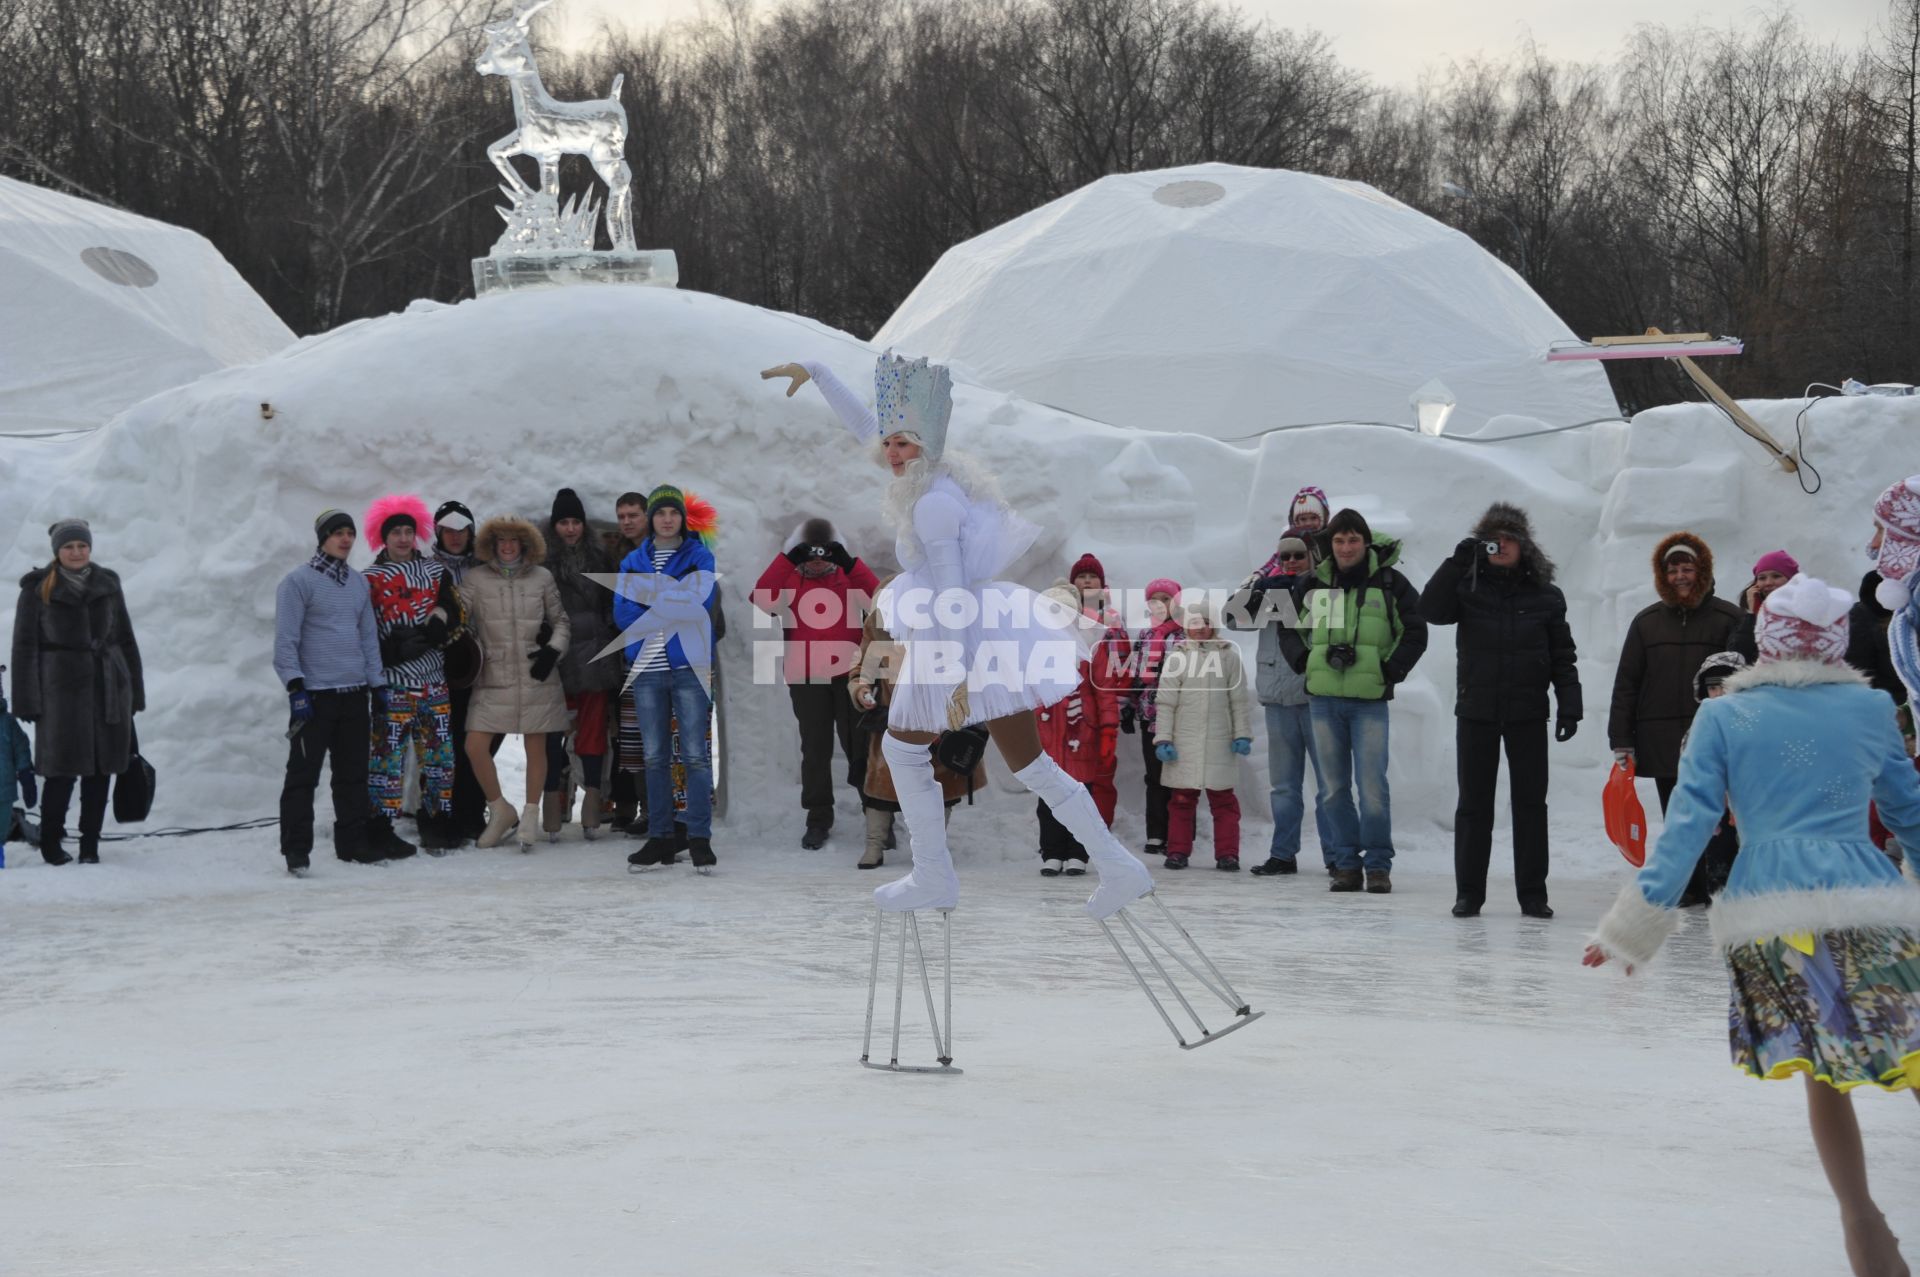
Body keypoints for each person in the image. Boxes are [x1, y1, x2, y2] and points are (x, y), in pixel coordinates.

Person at [1584, 575, 1920, 1277]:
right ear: (1836, 644)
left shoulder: (1723, 716)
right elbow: (1910, 813)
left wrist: (1632, 924)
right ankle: (1866, 1225)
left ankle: (1863, 1223)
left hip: (1772, 916)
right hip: (1870, 906)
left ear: (1764, 642)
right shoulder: (1870, 709)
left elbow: (1689, 825)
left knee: (1825, 1076)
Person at [762, 354, 1154, 919]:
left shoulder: (934, 504)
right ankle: (1118, 866)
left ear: (927, 443)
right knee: (1031, 764)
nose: (891, 453)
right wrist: (819, 373)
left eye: (903, 444)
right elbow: (869, 428)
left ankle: (934, 875)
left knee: (902, 748)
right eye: (890, 444)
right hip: (974, 635)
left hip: (958, 637)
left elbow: (953, 595)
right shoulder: (933, 476)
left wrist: (958, 672)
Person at [1418, 503, 1582, 919]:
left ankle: (1533, 894)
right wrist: (1456, 564)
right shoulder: (1467, 585)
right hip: (1477, 711)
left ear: (1524, 544)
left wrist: (1570, 706)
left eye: (1510, 538)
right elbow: (1430, 611)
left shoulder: (1546, 594)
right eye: (1494, 538)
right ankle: (1469, 893)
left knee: (1531, 805)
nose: (1502, 545)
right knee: (1474, 806)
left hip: (1528, 712)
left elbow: (1563, 655)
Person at [1278, 508, 1427, 894]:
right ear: (1331, 544)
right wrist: (1304, 663)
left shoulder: (1392, 583)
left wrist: (1389, 670)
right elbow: (1289, 627)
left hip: (1369, 703)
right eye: (1339, 540)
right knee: (1332, 788)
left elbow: (1415, 630)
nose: (1346, 547)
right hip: (1324, 701)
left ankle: (1377, 865)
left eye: (1353, 539)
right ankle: (1345, 864)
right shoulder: (1312, 583)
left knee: (1372, 785)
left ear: (1365, 542)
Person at [11, 519, 143, 866]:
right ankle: (51, 842)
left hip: (108, 689)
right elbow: (24, 648)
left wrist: (135, 691)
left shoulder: (108, 583)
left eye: (82, 546)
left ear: (90, 548)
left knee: (100, 772)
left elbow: (125, 638)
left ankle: (90, 844)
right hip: (60, 694)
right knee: (60, 773)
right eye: (69, 546)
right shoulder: (37, 589)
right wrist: (27, 699)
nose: (76, 552)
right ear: (57, 551)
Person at [753, 516, 880, 849]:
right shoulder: (792, 581)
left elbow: (881, 602)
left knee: (860, 747)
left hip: (850, 676)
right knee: (815, 750)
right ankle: (818, 817)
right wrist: (787, 560)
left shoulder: (848, 578)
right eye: (810, 552)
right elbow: (761, 601)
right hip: (807, 678)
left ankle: (877, 814)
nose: (818, 558)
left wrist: (850, 563)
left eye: (825, 552)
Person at [273, 510, 389, 873]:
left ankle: (352, 844)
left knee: (352, 774)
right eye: (338, 533)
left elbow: (368, 639)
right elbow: (286, 642)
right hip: (315, 697)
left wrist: (378, 685)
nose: (346, 539)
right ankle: (296, 850)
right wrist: (296, 688)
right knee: (302, 776)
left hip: (354, 695)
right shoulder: (298, 582)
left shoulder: (357, 584)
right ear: (322, 537)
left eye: (350, 533)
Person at [616, 484, 721, 870]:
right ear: (651, 519)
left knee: (694, 755)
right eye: (660, 513)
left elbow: (700, 604)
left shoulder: (699, 558)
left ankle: (698, 837)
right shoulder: (632, 563)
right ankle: (660, 837)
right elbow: (623, 616)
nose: (666, 519)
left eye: (673, 513)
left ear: (681, 517)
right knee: (655, 756)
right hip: (648, 668)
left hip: (689, 666)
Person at [848, 580, 985, 868]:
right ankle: (874, 845)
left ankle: (932, 847)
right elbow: (861, 669)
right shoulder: (879, 633)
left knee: (941, 788)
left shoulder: (939, 631)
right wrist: (860, 688)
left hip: (936, 721)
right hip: (891, 719)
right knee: (881, 788)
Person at [1607, 532, 1745, 813]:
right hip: (1662, 741)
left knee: (1717, 826)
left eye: (1687, 569)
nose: (1680, 576)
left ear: (1702, 571)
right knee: (1677, 821)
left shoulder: (1729, 618)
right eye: (1672, 571)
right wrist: (1621, 739)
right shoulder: (1646, 622)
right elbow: (1627, 683)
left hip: (1712, 739)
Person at [462, 515, 571, 850]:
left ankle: (529, 815)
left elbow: (561, 621)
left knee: (535, 747)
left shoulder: (542, 577)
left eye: (514, 540)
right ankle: (500, 809)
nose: (508, 546)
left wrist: (553, 652)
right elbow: (459, 611)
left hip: (536, 672)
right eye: (501, 541)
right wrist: (440, 618)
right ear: (491, 545)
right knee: (475, 746)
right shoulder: (476, 578)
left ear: (525, 545)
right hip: (494, 675)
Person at [361, 494, 460, 857]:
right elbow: (362, 630)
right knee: (387, 757)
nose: (403, 538)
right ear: (383, 538)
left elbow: (453, 606)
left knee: (439, 756)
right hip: (393, 683)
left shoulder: (436, 571)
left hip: (434, 679)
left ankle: (436, 821)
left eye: (408, 531)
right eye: (396, 533)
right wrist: (392, 651)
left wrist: (438, 623)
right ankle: (380, 826)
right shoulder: (369, 578)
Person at [1228, 533, 1329, 876]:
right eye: (1284, 556)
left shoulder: (1323, 590)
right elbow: (1231, 618)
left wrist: (1283, 593)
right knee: (1284, 787)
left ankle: (1337, 857)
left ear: (1312, 557)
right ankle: (1283, 854)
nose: (1290, 562)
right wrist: (1254, 587)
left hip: (1318, 697)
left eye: (1298, 555)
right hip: (1278, 699)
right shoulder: (1270, 590)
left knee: (1329, 786)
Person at [1151, 596, 1253, 871]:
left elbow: (1238, 700)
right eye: (1194, 622)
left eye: (1206, 622)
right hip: (1185, 743)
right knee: (1182, 801)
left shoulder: (1229, 657)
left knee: (1224, 801)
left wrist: (1241, 734)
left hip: (1220, 741)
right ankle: (1177, 851)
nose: (1200, 627)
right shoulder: (1178, 657)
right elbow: (1166, 701)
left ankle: (1228, 853)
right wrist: (1163, 738)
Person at [1032, 571, 1123, 875]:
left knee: (1081, 796)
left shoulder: (1091, 647)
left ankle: (1079, 853)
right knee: (1049, 798)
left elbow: (1104, 691)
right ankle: (1052, 852)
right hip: (1046, 737)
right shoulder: (1036, 650)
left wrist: (1109, 729)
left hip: (1082, 733)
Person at [544, 487, 621, 840]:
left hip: (594, 656)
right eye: (564, 522)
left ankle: (593, 795)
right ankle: (554, 797)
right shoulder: (542, 560)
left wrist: (606, 635)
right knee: (552, 730)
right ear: (554, 525)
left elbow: (611, 603)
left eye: (576, 521)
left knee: (592, 730)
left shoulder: (600, 557)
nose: (571, 529)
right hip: (558, 656)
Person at [429, 500, 487, 840]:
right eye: (447, 530)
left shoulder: (485, 566)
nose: (454, 536)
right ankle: (442, 811)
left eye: (461, 529)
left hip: (480, 665)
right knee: (444, 742)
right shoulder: (427, 567)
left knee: (479, 741)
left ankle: (471, 807)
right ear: (438, 532)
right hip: (440, 667)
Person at [1126, 577, 1185, 858]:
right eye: (1155, 599)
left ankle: (1179, 836)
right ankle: (1156, 833)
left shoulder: (1185, 634)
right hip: (1150, 715)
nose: (1160, 604)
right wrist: (1129, 704)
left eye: (1166, 599)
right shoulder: (1146, 636)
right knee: (1154, 776)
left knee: (1178, 776)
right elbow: (1135, 673)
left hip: (1180, 716)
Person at [609, 490, 651, 832]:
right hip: (631, 660)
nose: (626, 522)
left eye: (633, 515)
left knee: (669, 739)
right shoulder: (618, 554)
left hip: (670, 657)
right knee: (635, 739)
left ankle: (672, 810)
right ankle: (648, 809)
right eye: (621, 516)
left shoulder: (670, 553)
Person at [1729, 549, 1799, 661]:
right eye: (1762, 578)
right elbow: (1737, 656)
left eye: (1776, 576)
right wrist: (1752, 615)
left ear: (1791, 580)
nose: (1768, 583)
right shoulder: (1747, 618)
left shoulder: (1807, 614)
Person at [0, 664, 33, 865]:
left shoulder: (8, 722)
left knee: (1, 825)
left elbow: (21, 747)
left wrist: (25, 772)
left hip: (4, 790)